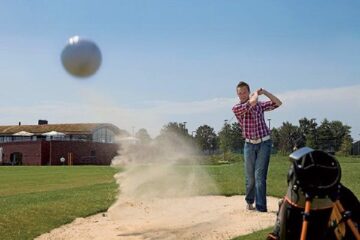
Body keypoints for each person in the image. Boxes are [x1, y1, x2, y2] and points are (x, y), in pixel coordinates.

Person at [232, 81, 282, 212]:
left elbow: (278, 103)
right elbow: (252, 102)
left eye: (244, 92)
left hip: (264, 143)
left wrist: (264, 92)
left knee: (260, 177)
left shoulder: (259, 105)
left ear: (248, 92)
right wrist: (255, 94)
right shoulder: (237, 108)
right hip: (249, 145)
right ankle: (249, 201)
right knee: (250, 178)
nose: (242, 95)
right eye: (240, 93)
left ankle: (261, 207)